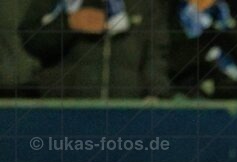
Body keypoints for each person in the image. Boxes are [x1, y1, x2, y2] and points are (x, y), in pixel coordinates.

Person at [19, 0, 170, 100]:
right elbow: (31, 40)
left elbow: (155, 53)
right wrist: (68, 24)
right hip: (65, 113)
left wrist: (156, 95)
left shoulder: (144, 4)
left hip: (125, 113)